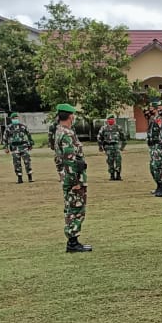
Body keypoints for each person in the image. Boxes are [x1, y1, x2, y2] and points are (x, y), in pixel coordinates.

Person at [54, 103, 92, 253]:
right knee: (76, 208)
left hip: (67, 176)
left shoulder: (59, 132)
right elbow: (69, 159)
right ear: (71, 116)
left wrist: (62, 174)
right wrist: (76, 181)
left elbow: (58, 159)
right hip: (73, 177)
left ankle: (73, 240)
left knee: (71, 208)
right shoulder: (67, 134)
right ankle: (73, 242)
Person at [146, 101, 162, 196]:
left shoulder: (161, 119)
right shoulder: (154, 118)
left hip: (159, 146)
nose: (150, 109)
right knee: (154, 167)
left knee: (159, 167)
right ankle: (159, 186)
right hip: (154, 146)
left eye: (152, 108)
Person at [3, 112, 33, 183]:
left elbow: (29, 135)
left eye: (16, 118)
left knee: (27, 161)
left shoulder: (23, 126)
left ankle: (30, 177)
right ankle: (19, 177)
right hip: (14, 147)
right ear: (11, 119)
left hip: (24, 146)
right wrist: (6, 147)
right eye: (14, 118)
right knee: (16, 163)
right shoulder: (8, 128)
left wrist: (30, 144)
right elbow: (5, 138)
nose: (15, 119)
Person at [98, 113, 127, 181]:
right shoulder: (104, 128)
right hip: (108, 146)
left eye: (112, 119)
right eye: (109, 119)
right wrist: (100, 146)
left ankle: (118, 175)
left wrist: (122, 146)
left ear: (114, 120)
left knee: (118, 161)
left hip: (116, 146)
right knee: (110, 161)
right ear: (107, 120)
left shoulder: (118, 127)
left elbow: (123, 137)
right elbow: (99, 137)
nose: (111, 121)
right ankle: (112, 175)